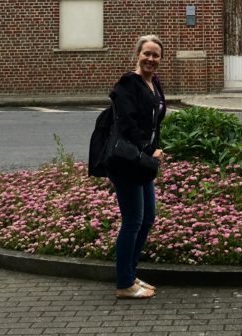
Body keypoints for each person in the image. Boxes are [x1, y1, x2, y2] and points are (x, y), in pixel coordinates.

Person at [108, 34, 167, 300]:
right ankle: (124, 283)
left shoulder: (153, 83)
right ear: (137, 54)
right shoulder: (127, 84)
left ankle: (130, 274)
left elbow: (154, 123)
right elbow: (128, 123)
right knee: (132, 221)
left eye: (156, 55)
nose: (151, 59)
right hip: (127, 162)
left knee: (147, 218)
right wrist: (147, 148)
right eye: (147, 54)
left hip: (143, 161)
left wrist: (156, 147)